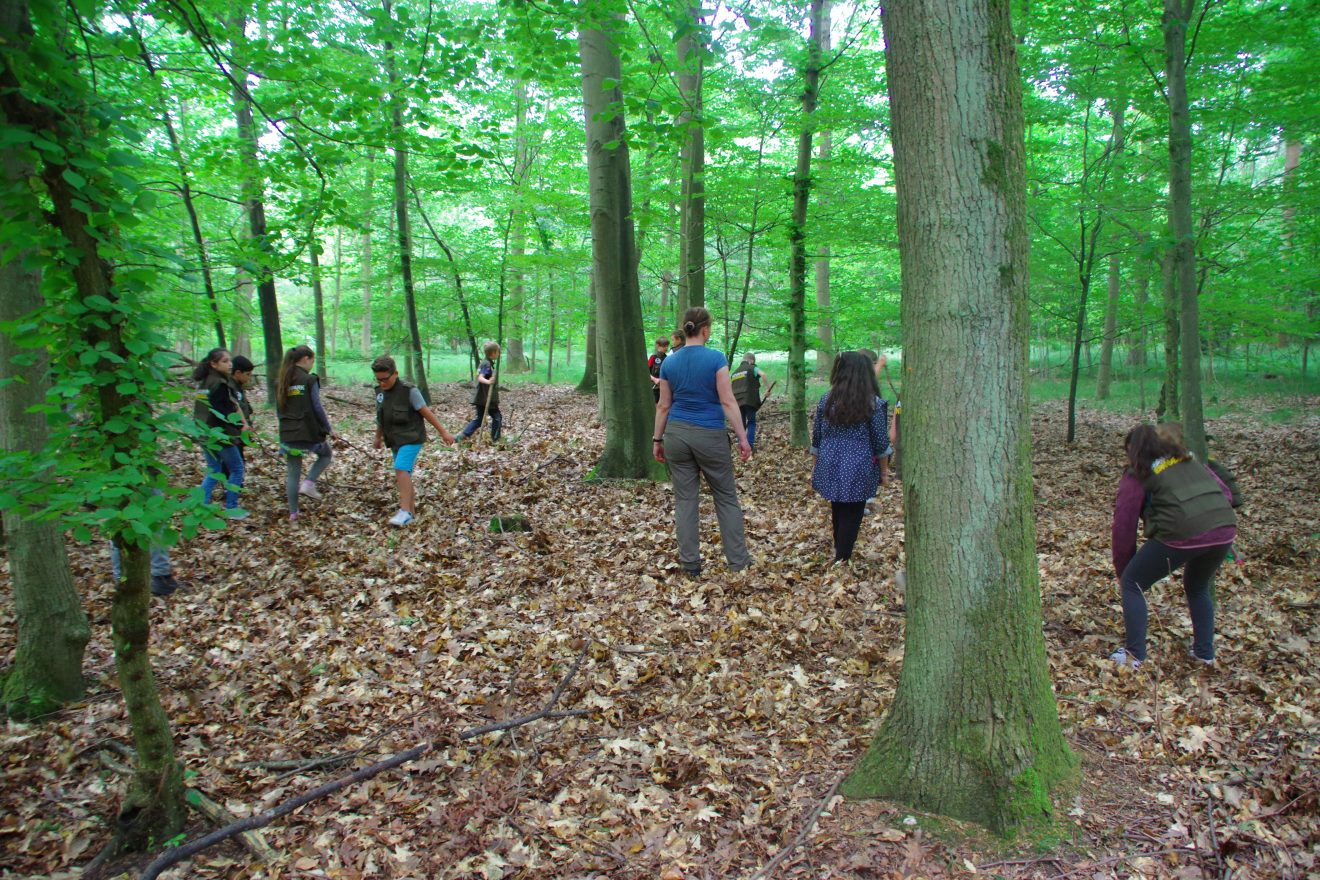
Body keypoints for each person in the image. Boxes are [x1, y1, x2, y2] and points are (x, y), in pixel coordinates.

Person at [1110, 423, 1237, 669]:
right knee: (1197, 585)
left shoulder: (1139, 473)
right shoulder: (1188, 460)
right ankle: (1204, 654)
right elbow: (1227, 495)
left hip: (1182, 533)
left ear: (1133, 451)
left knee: (1132, 583)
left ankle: (1135, 656)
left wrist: (1124, 569)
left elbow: (1123, 525)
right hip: (1224, 528)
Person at [653, 307, 753, 577]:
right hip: (709, 434)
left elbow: (663, 406)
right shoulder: (716, 359)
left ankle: (690, 564)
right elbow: (728, 400)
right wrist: (743, 438)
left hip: (676, 434)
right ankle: (738, 561)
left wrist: (657, 439)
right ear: (705, 330)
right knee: (726, 497)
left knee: (685, 500)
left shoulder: (670, 362)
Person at [811, 351, 892, 564]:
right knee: (853, 509)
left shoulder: (826, 399)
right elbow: (880, 442)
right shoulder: (872, 403)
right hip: (858, 463)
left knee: (838, 505)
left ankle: (841, 551)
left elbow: (817, 437)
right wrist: (884, 471)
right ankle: (842, 556)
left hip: (830, 460)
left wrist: (816, 465)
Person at [372, 356, 457, 526]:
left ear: (395, 374)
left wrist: (444, 432)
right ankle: (410, 512)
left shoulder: (409, 391)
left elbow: (426, 412)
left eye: (385, 379)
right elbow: (381, 417)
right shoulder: (380, 393)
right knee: (404, 474)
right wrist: (377, 436)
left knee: (401, 468)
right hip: (394, 439)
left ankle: (404, 511)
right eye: (378, 379)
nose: (382, 383)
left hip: (412, 437)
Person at [276, 345, 333, 522]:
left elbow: (279, 410)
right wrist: (328, 428)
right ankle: (309, 483)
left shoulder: (282, 380)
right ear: (306, 359)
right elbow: (317, 406)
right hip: (307, 431)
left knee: (293, 473)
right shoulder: (309, 380)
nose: (312, 364)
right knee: (326, 454)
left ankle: (293, 513)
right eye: (312, 360)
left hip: (288, 432)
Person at [192, 347, 249, 519]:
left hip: (204, 432)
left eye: (230, 361)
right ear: (214, 364)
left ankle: (202, 505)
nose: (230, 364)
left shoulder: (205, 382)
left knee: (214, 469)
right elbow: (222, 411)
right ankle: (231, 508)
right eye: (225, 361)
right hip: (219, 434)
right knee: (237, 468)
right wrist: (239, 426)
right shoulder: (219, 384)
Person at [458, 342, 502, 442]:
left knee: (479, 419)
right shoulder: (486, 363)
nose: (499, 354)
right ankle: (495, 439)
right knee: (497, 417)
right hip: (485, 398)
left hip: (483, 397)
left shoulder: (487, 362)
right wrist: (489, 381)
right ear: (493, 353)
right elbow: (480, 377)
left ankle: (462, 436)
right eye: (498, 352)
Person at [729, 353, 768, 449]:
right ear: (752, 361)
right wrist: (768, 389)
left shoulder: (734, 373)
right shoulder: (752, 368)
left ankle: (741, 445)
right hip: (749, 400)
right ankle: (749, 445)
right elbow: (763, 374)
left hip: (737, 401)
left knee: (741, 423)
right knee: (751, 421)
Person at [647, 337, 670, 404]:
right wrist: (654, 379)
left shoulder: (667, 358)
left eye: (667, 346)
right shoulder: (653, 357)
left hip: (664, 387)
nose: (666, 348)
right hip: (654, 387)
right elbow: (646, 372)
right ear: (658, 345)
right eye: (664, 346)